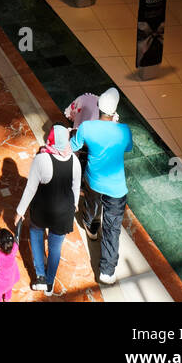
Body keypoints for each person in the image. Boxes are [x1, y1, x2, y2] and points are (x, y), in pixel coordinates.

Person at [70, 87, 133, 285]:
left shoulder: (87, 128)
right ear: (115, 111)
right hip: (116, 187)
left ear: (98, 107)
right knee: (113, 228)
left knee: (91, 203)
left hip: (93, 180)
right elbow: (128, 147)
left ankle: (90, 226)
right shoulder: (124, 130)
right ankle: (107, 271)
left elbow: (73, 146)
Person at [15, 124, 82, 295]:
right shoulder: (74, 160)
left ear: (51, 139)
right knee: (55, 248)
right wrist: (74, 205)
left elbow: (30, 188)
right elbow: (76, 187)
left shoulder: (41, 159)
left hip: (42, 210)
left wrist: (20, 211)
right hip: (63, 213)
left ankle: (41, 277)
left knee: (36, 235)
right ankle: (50, 283)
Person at [0, 227, 21, 303]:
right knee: (9, 288)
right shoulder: (15, 247)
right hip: (11, 278)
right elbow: (17, 234)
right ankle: (7, 299)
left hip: (0, 284)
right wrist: (20, 220)